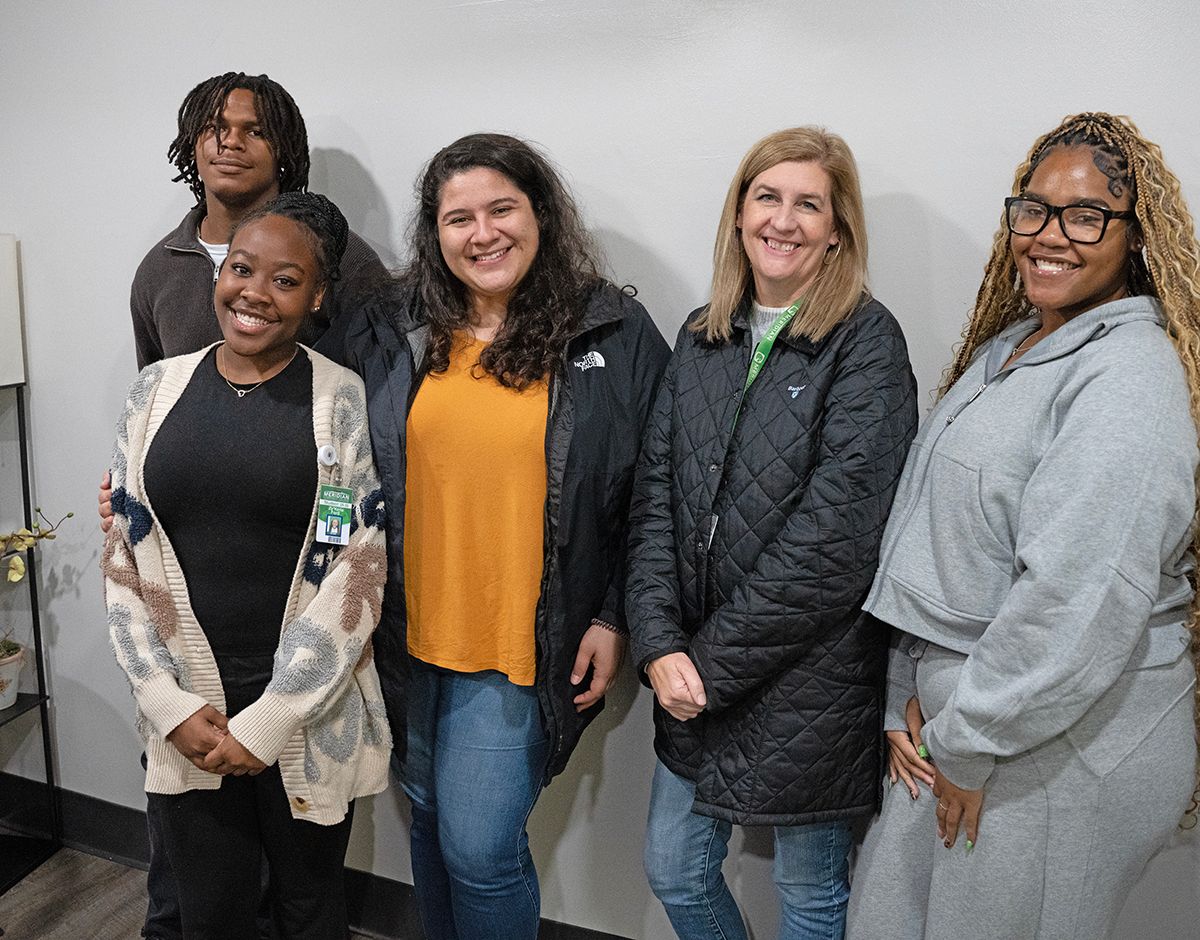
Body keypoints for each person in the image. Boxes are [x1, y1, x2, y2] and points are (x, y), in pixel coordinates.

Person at [846, 112, 1200, 940]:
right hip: (968, 727)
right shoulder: (1012, 347)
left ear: (1136, 237)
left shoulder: (1128, 381)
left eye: (1086, 216)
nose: (1051, 236)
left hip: (1053, 745)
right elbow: (929, 536)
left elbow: (1077, 599)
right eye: (1033, 209)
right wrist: (905, 696)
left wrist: (970, 743)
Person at [326, 132, 670, 939]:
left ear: (540, 214)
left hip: (521, 646)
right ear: (434, 233)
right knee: (431, 832)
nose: (483, 234)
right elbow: (327, 450)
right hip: (405, 637)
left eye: (501, 209)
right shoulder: (393, 325)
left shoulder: (612, 332)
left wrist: (617, 615)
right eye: (458, 218)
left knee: (480, 850)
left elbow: (657, 494)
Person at [101, 70, 387, 940]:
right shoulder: (153, 391)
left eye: (286, 280)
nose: (255, 291)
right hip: (188, 709)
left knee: (308, 911)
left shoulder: (339, 401)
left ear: (318, 297)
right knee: (206, 913)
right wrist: (170, 706)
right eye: (240, 270)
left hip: (302, 711)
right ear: (218, 271)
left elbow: (352, 566)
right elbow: (126, 558)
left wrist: (269, 720)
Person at [626, 126, 918, 939]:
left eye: (808, 204)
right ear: (741, 211)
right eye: (767, 196)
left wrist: (706, 664)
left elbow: (839, 541)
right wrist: (656, 643)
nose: (783, 220)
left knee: (810, 892)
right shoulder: (701, 335)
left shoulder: (866, 342)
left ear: (837, 229)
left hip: (810, 681)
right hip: (689, 672)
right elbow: (654, 501)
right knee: (676, 870)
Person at [130, 71, 386, 368]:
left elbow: (385, 383)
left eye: (255, 132)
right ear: (192, 144)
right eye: (215, 128)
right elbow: (154, 392)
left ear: (284, 152)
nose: (230, 142)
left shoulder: (340, 257)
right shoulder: (158, 270)